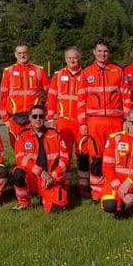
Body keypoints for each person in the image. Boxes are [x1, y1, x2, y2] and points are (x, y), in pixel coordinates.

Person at [77, 39, 132, 200]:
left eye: (105, 51)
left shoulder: (118, 71)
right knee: (96, 157)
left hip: (116, 121)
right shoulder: (86, 73)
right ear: (94, 52)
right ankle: (97, 192)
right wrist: (82, 122)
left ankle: (115, 188)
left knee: (117, 156)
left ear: (109, 53)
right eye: (100, 51)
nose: (103, 54)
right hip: (95, 122)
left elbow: (126, 97)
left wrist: (127, 120)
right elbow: (81, 100)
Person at [11, 104, 69, 213]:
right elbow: (20, 159)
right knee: (18, 173)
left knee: (58, 208)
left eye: (41, 116)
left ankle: (44, 196)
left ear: (45, 117)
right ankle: (24, 203)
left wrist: (52, 176)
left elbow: (65, 159)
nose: (38, 119)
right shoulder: (22, 135)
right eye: (34, 116)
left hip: (50, 178)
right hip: (32, 177)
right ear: (29, 118)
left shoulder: (55, 134)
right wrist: (41, 172)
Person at [46, 46, 89, 194]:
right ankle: (65, 184)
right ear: (65, 59)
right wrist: (50, 119)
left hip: (81, 122)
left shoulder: (86, 75)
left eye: (75, 57)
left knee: (83, 152)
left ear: (80, 58)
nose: (72, 60)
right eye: (69, 58)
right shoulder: (58, 75)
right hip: (63, 121)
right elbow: (51, 97)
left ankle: (83, 185)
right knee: (64, 154)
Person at [0, 42, 49, 147]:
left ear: (29, 53)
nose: (22, 55)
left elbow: (49, 94)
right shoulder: (8, 71)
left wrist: (46, 113)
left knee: (35, 146)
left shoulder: (39, 70)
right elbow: (3, 97)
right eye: (19, 53)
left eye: (25, 53)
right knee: (17, 147)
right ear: (15, 54)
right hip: (14, 117)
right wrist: (5, 119)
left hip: (34, 117)